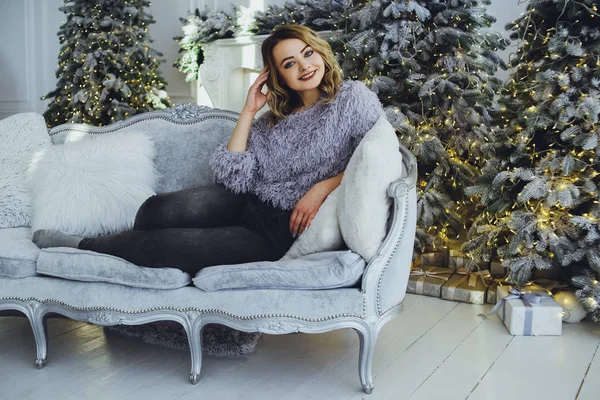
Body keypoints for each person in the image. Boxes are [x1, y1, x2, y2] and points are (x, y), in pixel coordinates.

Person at [33, 24, 385, 274]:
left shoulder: (352, 99)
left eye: (307, 54)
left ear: (320, 53)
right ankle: (118, 237)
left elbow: (373, 157)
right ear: (279, 76)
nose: (304, 66)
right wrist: (249, 110)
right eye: (289, 63)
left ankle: (81, 245)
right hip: (245, 200)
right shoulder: (274, 118)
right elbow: (233, 174)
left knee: (166, 247)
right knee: (154, 211)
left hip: (275, 228)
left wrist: (321, 188)